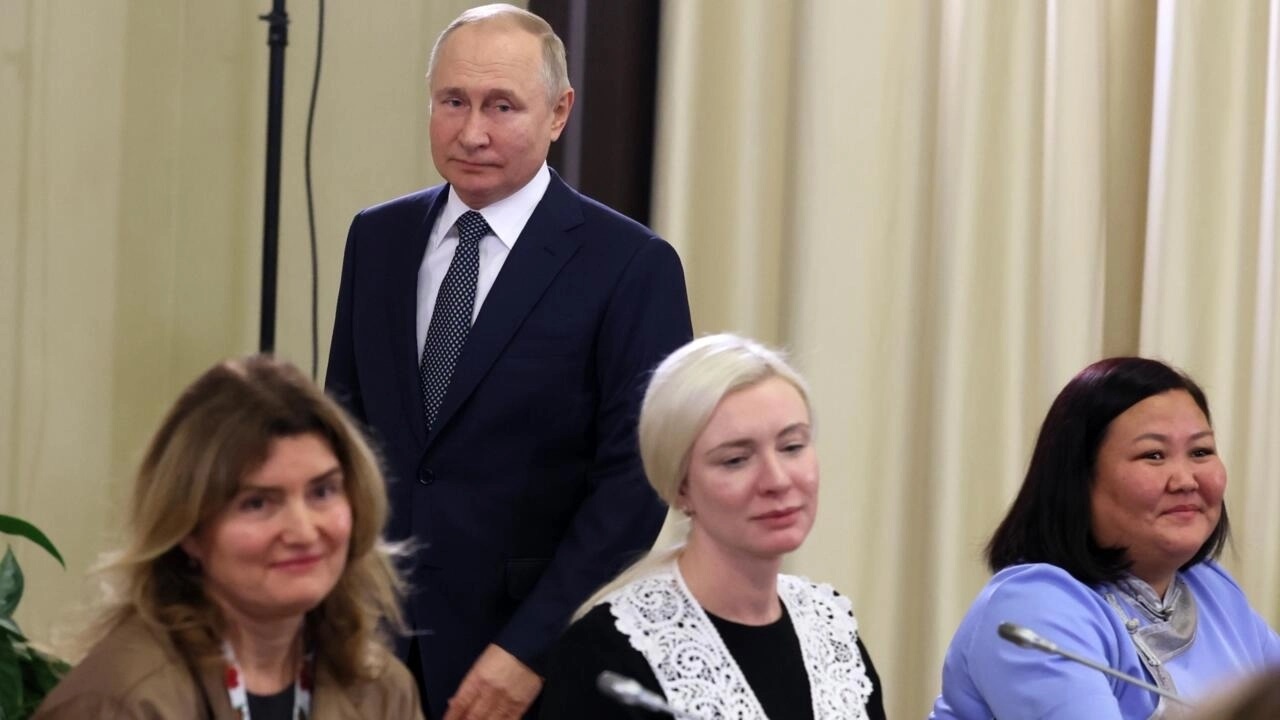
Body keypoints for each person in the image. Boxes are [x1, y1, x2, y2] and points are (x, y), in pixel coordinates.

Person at [324, 4, 693, 718]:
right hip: (369, 645)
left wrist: (531, 648)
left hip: (530, 662)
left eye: (501, 106)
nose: (472, 132)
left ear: (558, 113)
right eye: (452, 102)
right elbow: (343, 432)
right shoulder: (378, 238)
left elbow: (635, 485)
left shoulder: (630, 265)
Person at [35, 356, 421, 719]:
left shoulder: (382, 691)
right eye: (257, 503)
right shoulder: (124, 699)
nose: (303, 532)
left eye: (322, 492)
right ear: (188, 530)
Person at [539, 334, 886, 719]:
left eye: (792, 447)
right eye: (735, 460)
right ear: (680, 486)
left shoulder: (828, 627)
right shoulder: (605, 656)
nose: (777, 480)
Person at [930, 357, 1280, 719]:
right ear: (1078, 479)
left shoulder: (1212, 588)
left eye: (1201, 452)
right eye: (1153, 455)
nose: (1185, 480)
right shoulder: (1035, 606)